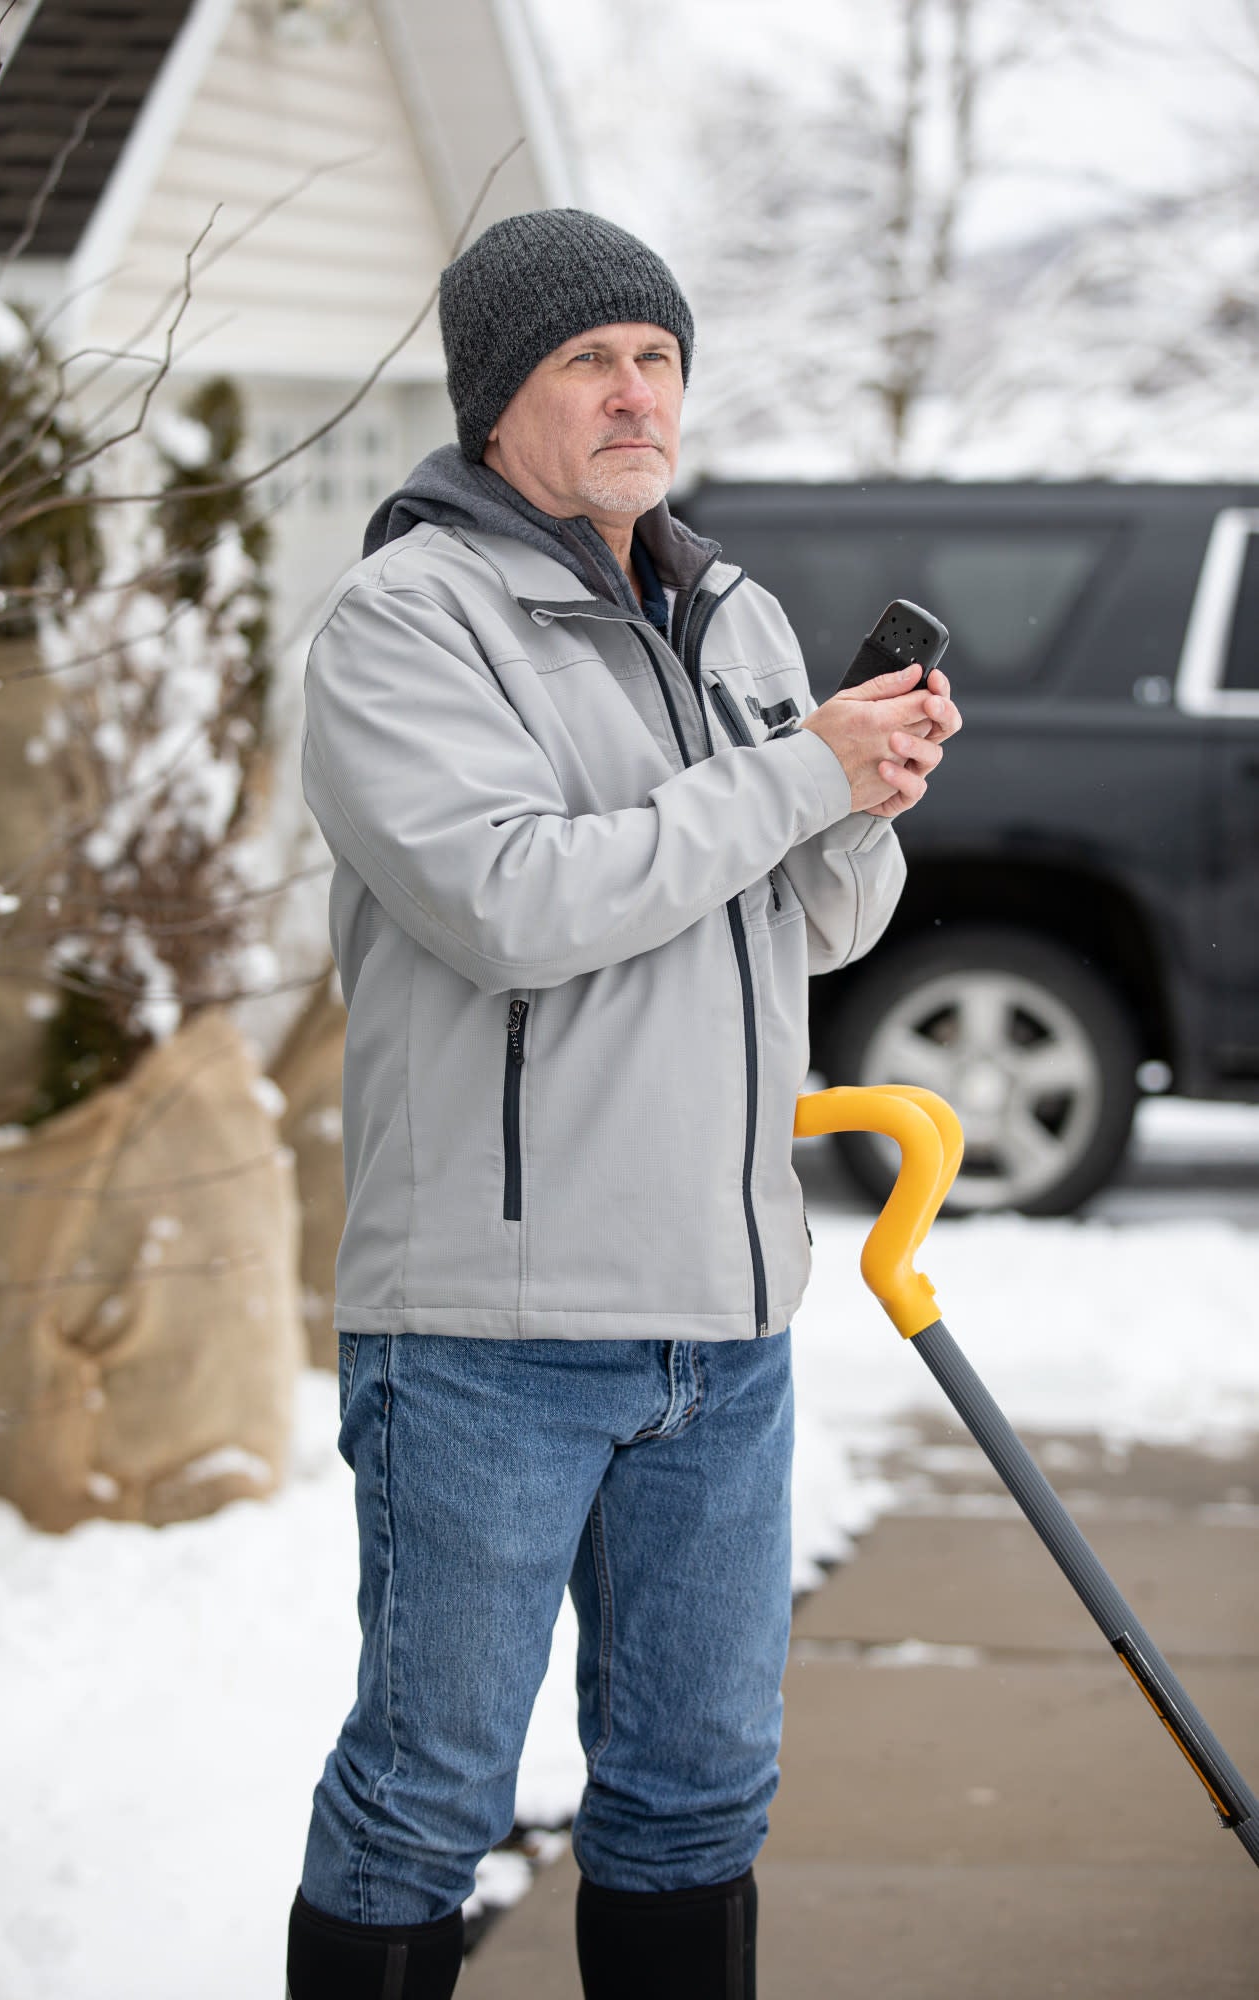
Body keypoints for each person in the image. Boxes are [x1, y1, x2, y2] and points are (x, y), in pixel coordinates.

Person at [288, 208, 961, 2000]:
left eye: (656, 358)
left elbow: (815, 923)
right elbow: (512, 904)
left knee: (695, 1796)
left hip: (722, 1326)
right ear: (495, 399)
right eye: (587, 360)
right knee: (425, 1801)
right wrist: (794, 775)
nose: (632, 393)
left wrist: (862, 794)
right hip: (490, 1334)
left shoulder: (727, 611)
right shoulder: (407, 620)